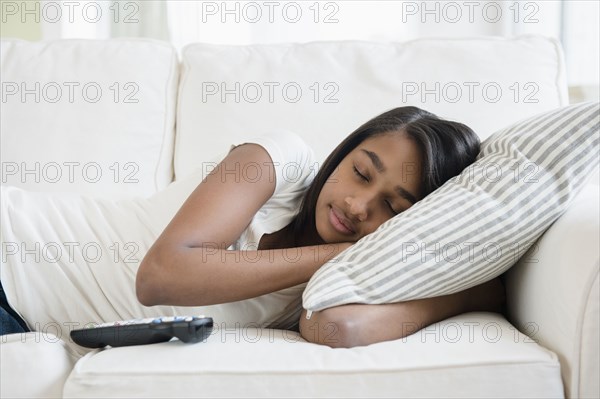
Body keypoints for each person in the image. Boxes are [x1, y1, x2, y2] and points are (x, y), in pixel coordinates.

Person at [135, 106, 506, 348]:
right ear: (343, 153)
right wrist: (338, 252)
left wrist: (464, 295)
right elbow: (159, 277)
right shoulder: (282, 161)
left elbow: (341, 329)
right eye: (360, 172)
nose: (357, 206)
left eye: (392, 207)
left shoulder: (352, 278)